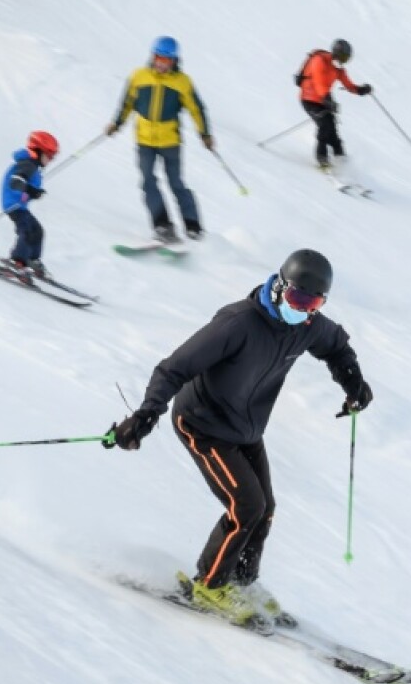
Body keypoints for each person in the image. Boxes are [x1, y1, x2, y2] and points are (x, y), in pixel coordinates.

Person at [105, 249, 375, 625]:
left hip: (246, 428)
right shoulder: (238, 322)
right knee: (246, 506)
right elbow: (172, 369)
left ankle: (243, 581)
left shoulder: (307, 325)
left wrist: (354, 383)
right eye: (299, 298)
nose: (304, 309)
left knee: (264, 510)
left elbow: (337, 347)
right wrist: (147, 412)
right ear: (280, 287)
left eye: (313, 303)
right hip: (203, 423)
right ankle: (210, 586)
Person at [106, 36, 213, 244]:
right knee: (148, 181)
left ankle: (193, 226)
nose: (162, 63)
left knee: (176, 183)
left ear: (174, 61)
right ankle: (162, 225)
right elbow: (127, 102)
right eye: (159, 58)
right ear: (153, 57)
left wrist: (205, 134)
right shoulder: (139, 77)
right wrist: (116, 123)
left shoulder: (182, 82)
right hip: (144, 140)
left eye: (167, 60)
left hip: (170, 141)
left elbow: (196, 109)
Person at [296, 38, 372, 170]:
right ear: (335, 53)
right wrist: (328, 99)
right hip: (308, 98)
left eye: (346, 59)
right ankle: (322, 159)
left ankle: (341, 159)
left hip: (324, 100)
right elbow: (319, 83)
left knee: (332, 130)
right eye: (342, 57)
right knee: (325, 125)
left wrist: (361, 90)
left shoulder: (338, 70)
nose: (343, 61)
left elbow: (349, 85)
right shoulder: (319, 60)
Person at [1, 130, 59, 279]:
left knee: (37, 231)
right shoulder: (27, 164)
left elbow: (27, 187)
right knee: (26, 230)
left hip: (21, 206)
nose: (51, 160)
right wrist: (31, 190)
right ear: (38, 151)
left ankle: (33, 260)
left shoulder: (33, 166)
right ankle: (17, 261)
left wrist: (35, 192)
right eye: (49, 155)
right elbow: (16, 181)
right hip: (14, 205)